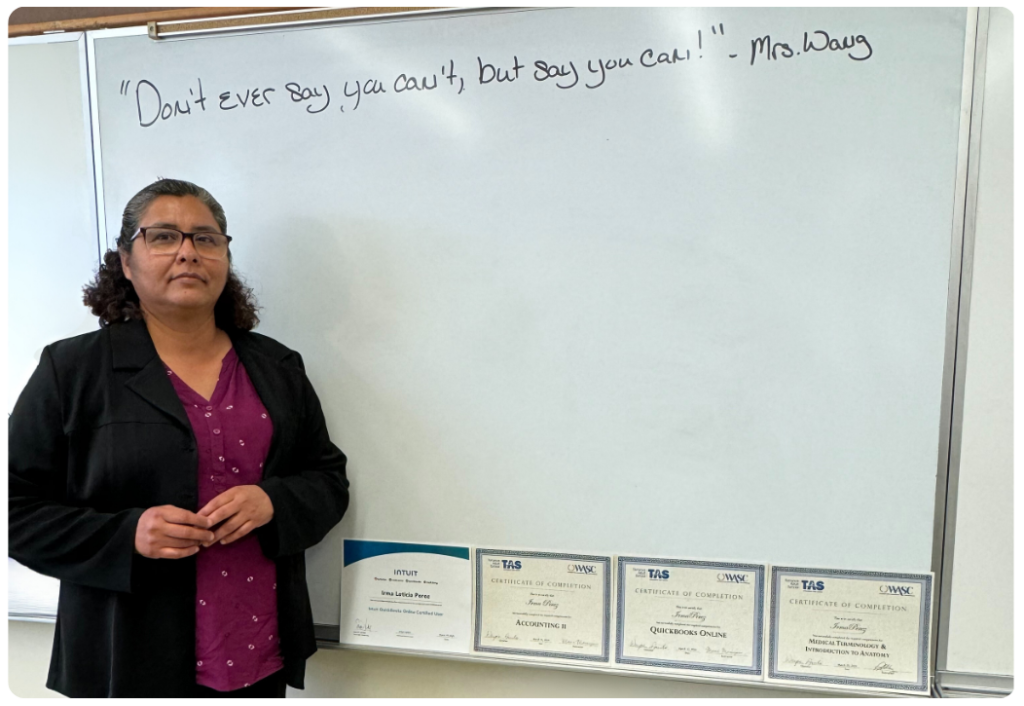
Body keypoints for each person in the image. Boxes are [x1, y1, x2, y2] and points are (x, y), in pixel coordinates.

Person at [7, 179, 350, 700]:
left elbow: (327, 479)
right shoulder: (72, 370)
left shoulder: (277, 367)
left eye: (206, 239)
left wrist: (273, 501)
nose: (188, 252)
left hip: (257, 655)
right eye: (163, 237)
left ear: (225, 257)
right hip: (125, 658)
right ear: (126, 260)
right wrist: (127, 536)